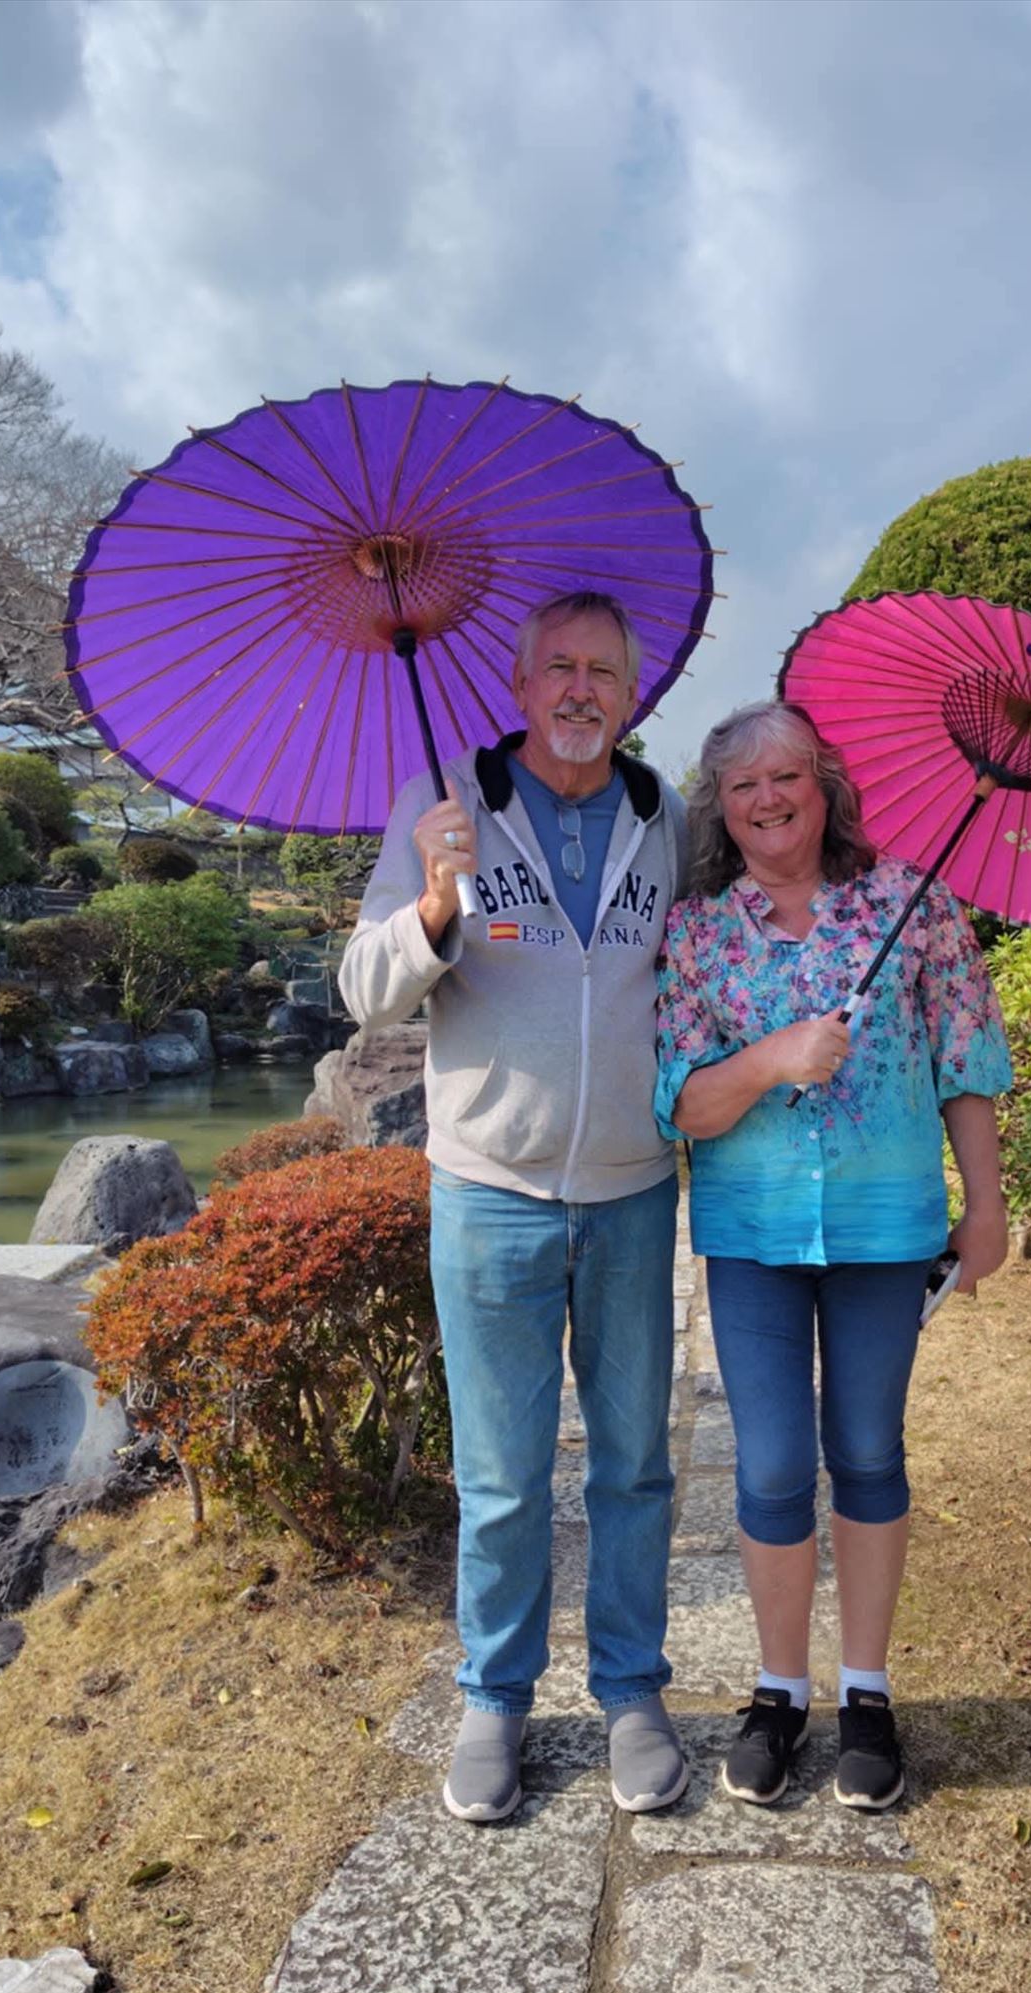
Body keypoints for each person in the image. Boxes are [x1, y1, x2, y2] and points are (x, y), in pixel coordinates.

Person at [339, 590, 690, 1823]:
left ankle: (634, 1691)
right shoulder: (443, 807)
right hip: (489, 1193)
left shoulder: (665, 816)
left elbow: (692, 969)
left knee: (638, 1464)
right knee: (499, 1476)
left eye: (604, 669)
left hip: (636, 1192)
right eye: (559, 669)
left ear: (629, 691)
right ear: (519, 682)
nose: (582, 690)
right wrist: (436, 905)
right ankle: (495, 1697)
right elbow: (364, 986)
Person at [654, 701, 1012, 1810]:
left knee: (866, 1449)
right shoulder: (700, 932)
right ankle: (776, 1690)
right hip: (753, 1238)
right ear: (723, 806)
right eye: (744, 784)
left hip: (883, 1230)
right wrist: (773, 1055)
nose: (769, 799)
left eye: (788, 775)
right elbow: (684, 1105)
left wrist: (987, 1203)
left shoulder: (915, 905)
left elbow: (967, 1059)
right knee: (767, 1466)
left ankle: (864, 1689)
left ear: (826, 784)